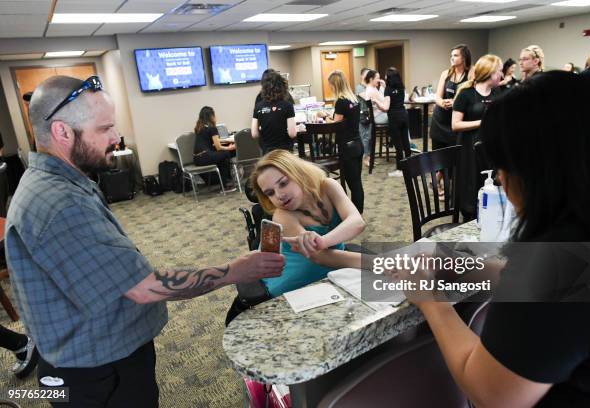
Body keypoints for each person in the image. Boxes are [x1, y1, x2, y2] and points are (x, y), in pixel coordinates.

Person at [5, 75, 285, 407]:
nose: (115, 136)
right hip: (97, 373)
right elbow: (144, 287)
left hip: (94, 357)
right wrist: (236, 270)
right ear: (62, 132)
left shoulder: (63, 182)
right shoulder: (59, 204)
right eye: (104, 128)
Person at [391, 71, 590, 408]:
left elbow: (492, 393)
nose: (499, 178)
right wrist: (468, 269)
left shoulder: (561, 261)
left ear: (538, 172)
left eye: (503, 166)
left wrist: (430, 299)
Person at [251, 150, 365, 297]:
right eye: (270, 193)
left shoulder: (328, 186)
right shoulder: (282, 215)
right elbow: (319, 256)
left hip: (335, 271)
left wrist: (322, 241)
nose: (279, 195)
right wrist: (377, 263)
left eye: (283, 183)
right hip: (293, 285)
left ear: (299, 173)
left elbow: (357, 222)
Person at [452, 54, 503, 220]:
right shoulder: (465, 94)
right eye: (499, 71)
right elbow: (456, 125)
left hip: (490, 146)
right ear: (489, 72)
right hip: (469, 147)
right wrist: (482, 123)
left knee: (489, 182)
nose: (501, 75)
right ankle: (470, 217)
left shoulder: (497, 92)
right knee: (470, 184)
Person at [322, 70, 365, 213]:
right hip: (357, 144)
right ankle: (358, 212)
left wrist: (324, 116)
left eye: (331, 85)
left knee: (353, 183)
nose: (330, 88)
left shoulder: (340, 101)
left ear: (335, 85)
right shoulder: (353, 99)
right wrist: (331, 116)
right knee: (357, 182)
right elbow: (344, 120)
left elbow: (335, 125)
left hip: (347, 147)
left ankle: (356, 214)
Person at [430, 44, 472, 191]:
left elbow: (471, 95)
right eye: (451, 55)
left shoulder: (471, 74)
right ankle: (438, 184)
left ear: (464, 57)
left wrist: (456, 102)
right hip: (440, 120)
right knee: (439, 156)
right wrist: (442, 102)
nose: (452, 58)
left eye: (456, 55)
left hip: (455, 122)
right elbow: (437, 96)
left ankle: (444, 185)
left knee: (453, 157)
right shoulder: (446, 73)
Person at [252, 71, 297, 154]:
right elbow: (292, 133)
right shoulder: (287, 105)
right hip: (285, 150)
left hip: (267, 150)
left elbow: (254, 134)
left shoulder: (258, 106)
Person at [192, 106, 236, 189]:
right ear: (211, 116)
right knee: (226, 154)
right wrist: (230, 147)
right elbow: (218, 147)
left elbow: (210, 144)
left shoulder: (199, 128)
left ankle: (225, 182)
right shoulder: (212, 128)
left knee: (222, 157)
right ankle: (225, 183)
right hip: (205, 156)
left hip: (197, 159)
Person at [383, 67, 412, 178]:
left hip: (394, 117)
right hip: (404, 115)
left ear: (389, 77)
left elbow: (386, 107)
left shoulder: (388, 89)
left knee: (398, 145)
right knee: (406, 143)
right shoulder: (401, 87)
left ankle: (400, 169)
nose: (384, 77)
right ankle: (410, 166)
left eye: (386, 75)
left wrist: (376, 102)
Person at [356, 67, 372, 166]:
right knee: (365, 137)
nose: (368, 76)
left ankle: (369, 157)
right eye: (366, 74)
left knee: (369, 137)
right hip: (362, 115)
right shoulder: (359, 87)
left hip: (370, 114)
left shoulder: (369, 87)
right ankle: (365, 158)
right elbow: (368, 98)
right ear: (362, 76)